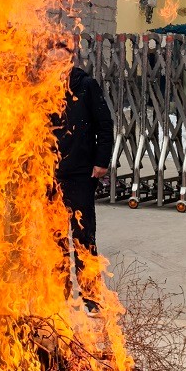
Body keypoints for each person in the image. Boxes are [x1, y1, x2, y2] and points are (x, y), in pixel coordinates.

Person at [51, 43, 114, 313]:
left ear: (70, 61)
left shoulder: (86, 86)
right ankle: (59, 293)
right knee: (54, 238)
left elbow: (105, 124)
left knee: (83, 236)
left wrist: (101, 162)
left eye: (60, 61)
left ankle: (91, 295)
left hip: (80, 173)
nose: (55, 67)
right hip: (49, 174)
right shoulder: (39, 89)